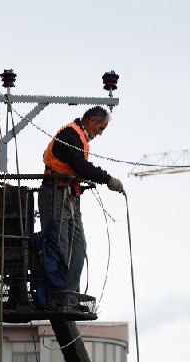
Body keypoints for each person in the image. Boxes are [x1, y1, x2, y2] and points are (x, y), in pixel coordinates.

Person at [38, 106, 125, 295]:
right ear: (92, 120)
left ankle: (69, 292)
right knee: (58, 243)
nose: (100, 134)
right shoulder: (70, 134)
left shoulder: (79, 137)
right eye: (101, 128)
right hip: (55, 193)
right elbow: (80, 166)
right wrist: (107, 179)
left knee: (78, 245)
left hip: (68, 195)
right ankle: (57, 292)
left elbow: (79, 166)